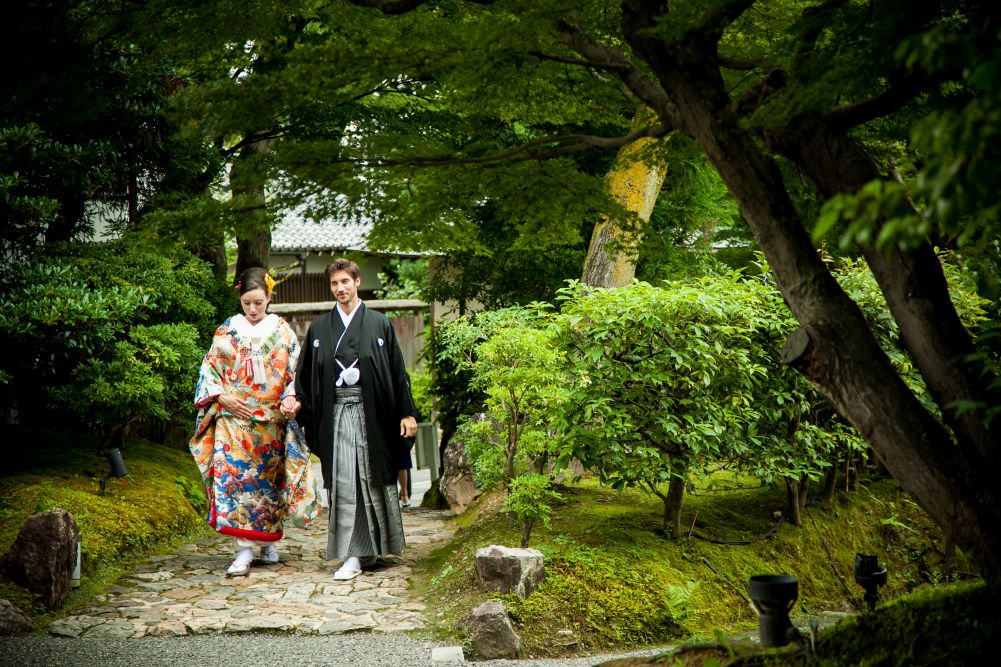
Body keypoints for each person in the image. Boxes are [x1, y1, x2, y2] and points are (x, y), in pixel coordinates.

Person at [290, 258, 418, 580]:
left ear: (357, 282)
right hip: (338, 416)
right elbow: (304, 377)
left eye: (345, 281)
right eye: (334, 284)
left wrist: (407, 412)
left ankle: (371, 549)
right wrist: (296, 403)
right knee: (346, 483)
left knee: (371, 481)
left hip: (373, 415)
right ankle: (353, 552)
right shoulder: (320, 328)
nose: (340, 289)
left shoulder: (379, 323)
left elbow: (397, 372)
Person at [189, 267, 302, 577]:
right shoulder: (226, 330)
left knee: (268, 483)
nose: (253, 310)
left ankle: (267, 543)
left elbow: (295, 372)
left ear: (268, 298)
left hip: (269, 421)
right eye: (247, 303)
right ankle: (243, 549)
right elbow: (209, 371)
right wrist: (222, 398)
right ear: (240, 299)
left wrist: (292, 398)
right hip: (232, 419)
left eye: (259, 303)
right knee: (236, 481)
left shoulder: (282, 331)